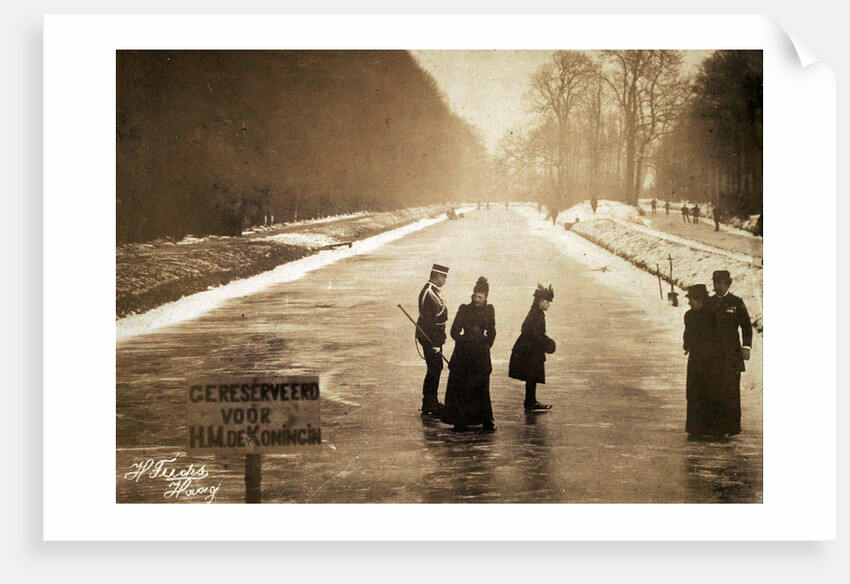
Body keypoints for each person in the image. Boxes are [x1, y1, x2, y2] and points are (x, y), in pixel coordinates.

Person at [441, 277, 497, 432]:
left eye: (479, 297)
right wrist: (463, 341)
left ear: (485, 297)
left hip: (481, 355)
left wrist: (487, 343)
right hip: (463, 354)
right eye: (474, 296)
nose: (476, 299)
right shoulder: (464, 309)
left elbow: (492, 331)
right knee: (462, 387)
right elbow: (454, 331)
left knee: (481, 387)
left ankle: (486, 419)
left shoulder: (489, 309)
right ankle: (460, 420)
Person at [709, 270, 753, 437]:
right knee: (714, 390)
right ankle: (716, 427)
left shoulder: (736, 302)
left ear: (728, 284)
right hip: (713, 356)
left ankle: (732, 427)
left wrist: (746, 347)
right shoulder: (710, 303)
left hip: (731, 355)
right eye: (714, 282)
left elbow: (746, 326)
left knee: (731, 391)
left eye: (719, 283)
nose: (716, 286)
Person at [682, 284, 723, 439]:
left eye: (691, 299)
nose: (688, 302)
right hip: (696, 359)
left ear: (698, 300)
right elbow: (687, 333)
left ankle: (713, 428)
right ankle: (696, 427)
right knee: (694, 393)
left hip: (711, 360)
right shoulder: (689, 315)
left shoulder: (713, 315)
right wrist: (687, 343)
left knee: (710, 392)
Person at [509, 284, 556, 411]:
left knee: (532, 376)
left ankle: (530, 401)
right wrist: (545, 342)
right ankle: (530, 402)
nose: (549, 305)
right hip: (530, 351)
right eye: (547, 302)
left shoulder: (536, 312)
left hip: (530, 349)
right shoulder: (536, 314)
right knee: (532, 376)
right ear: (541, 301)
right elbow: (532, 332)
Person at [417, 263, 450, 416]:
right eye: (444, 277)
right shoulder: (429, 292)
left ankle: (432, 402)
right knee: (434, 368)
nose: (445, 280)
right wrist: (435, 343)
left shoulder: (434, 291)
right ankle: (429, 404)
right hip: (431, 337)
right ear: (438, 276)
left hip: (435, 336)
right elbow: (430, 321)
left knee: (436, 367)